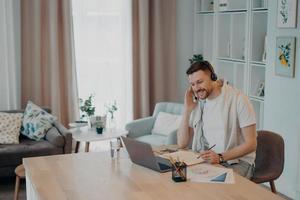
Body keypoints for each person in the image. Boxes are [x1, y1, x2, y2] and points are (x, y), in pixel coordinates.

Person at [177, 60, 257, 179]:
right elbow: (182, 143)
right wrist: (187, 109)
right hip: (211, 160)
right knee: (182, 178)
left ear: (212, 77)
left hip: (238, 162)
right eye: (192, 84)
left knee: (214, 191)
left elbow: (251, 144)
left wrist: (220, 157)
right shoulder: (199, 103)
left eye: (199, 82)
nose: (196, 88)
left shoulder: (238, 99)